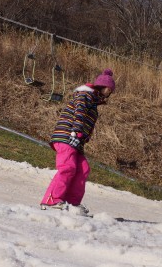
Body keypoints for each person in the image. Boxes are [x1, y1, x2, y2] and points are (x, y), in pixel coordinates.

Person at [40, 68, 116, 215]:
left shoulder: (94, 103)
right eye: (109, 89)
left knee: (83, 169)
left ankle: (71, 203)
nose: (110, 93)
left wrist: (82, 138)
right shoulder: (85, 94)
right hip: (67, 136)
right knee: (68, 167)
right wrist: (76, 132)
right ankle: (52, 200)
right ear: (103, 86)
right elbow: (79, 111)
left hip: (77, 140)